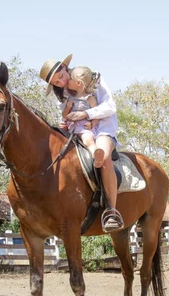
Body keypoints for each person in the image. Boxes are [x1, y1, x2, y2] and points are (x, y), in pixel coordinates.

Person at [40, 54, 124, 232]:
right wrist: (66, 122)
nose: (61, 82)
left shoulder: (91, 79)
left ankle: (111, 211)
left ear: (65, 67)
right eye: (56, 82)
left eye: (61, 76)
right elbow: (67, 113)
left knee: (104, 157)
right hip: (77, 131)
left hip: (102, 128)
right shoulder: (62, 93)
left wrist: (86, 115)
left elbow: (110, 107)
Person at [62, 66, 100, 161]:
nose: (68, 81)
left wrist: (92, 124)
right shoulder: (70, 99)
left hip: (84, 128)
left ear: (78, 83)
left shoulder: (90, 98)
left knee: (88, 140)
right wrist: (68, 107)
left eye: (70, 79)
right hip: (71, 130)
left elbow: (97, 114)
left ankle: (97, 156)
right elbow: (64, 116)